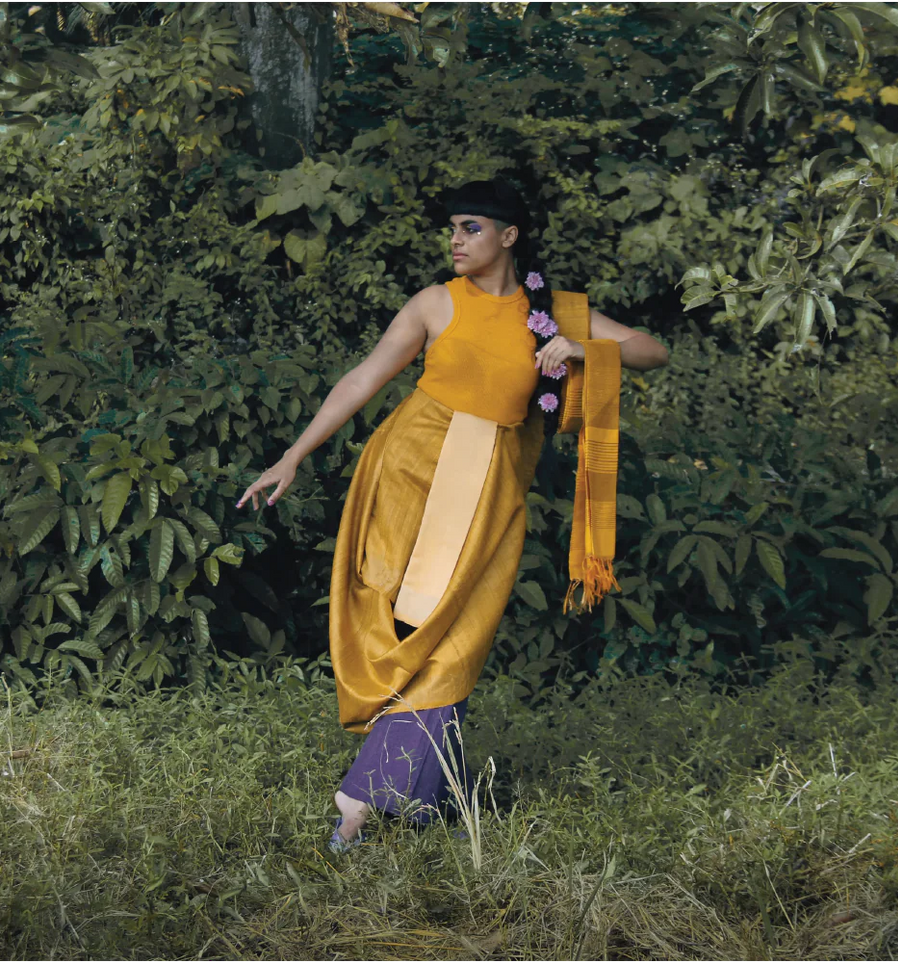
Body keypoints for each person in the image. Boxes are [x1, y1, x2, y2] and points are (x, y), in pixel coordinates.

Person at [235, 179, 669, 852]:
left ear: (508, 236)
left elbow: (651, 348)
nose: (455, 240)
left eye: (470, 228)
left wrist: (582, 349)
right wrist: (293, 454)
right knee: (406, 619)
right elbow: (362, 377)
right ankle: (379, 797)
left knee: (459, 634)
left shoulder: (551, 312)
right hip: (411, 468)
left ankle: (399, 794)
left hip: (491, 482)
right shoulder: (435, 302)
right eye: (452, 229)